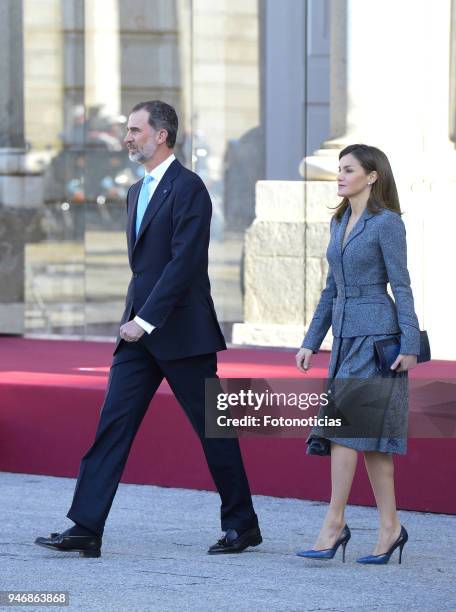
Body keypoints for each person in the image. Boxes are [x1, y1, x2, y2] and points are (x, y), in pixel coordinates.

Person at [35, 100, 261, 558]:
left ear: (161, 135)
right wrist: (133, 320)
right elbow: (145, 269)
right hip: (137, 336)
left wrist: (144, 319)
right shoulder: (136, 192)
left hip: (182, 333)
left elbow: (185, 264)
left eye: (135, 130)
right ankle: (85, 526)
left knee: (214, 431)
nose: (127, 138)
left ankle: (243, 524)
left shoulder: (190, 188)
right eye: (127, 130)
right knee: (111, 427)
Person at [295, 144, 419, 565]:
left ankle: (334, 523)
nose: (340, 176)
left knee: (343, 431)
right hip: (345, 340)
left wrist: (410, 344)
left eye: (348, 170)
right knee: (373, 444)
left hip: (377, 338)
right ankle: (391, 528)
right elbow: (331, 289)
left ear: (372, 176)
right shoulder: (339, 221)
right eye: (339, 169)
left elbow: (401, 285)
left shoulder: (388, 224)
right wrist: (311, 340)